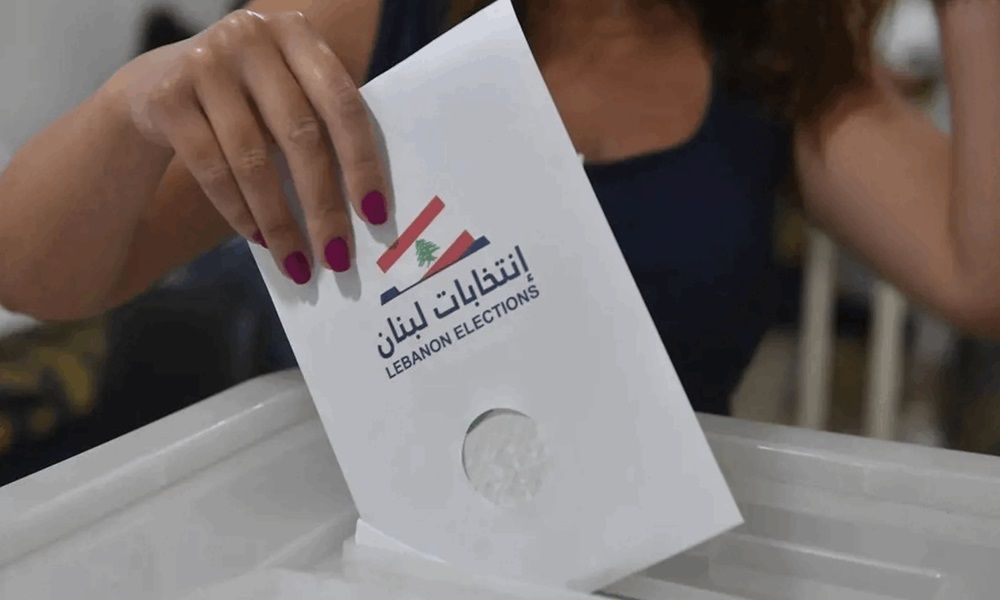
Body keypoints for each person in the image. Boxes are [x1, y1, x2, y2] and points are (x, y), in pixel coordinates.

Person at [1, 0, 999, 417]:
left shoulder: (775, 61)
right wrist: (132, 105)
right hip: (345, 561)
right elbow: (37, 275)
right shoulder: (361, 18)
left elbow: (978, 275)